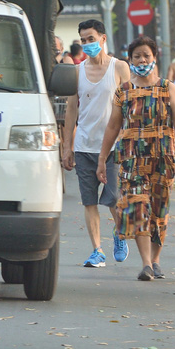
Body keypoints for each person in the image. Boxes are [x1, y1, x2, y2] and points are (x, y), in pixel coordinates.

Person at [97, 36, 175, 281]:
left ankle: (156, 260)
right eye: (137, 56)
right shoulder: (124, 91)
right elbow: (112, 128)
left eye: (146, 55)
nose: (141, 60)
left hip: (163, 158)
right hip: (132, 161)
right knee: (137, 207)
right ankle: (146, 264)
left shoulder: (168, 88)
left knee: (159, 211)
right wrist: (102, 159)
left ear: (154, 58)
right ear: (130, 60)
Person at [62, 19, 132, 268]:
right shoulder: (77, 72)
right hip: (84, 146)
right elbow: (71, 110)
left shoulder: (120, 67)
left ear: (103, 39)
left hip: (113, 147)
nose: (87, 44)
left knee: (112, 198)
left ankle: (119, 233)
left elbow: (131, 104)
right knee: (89, 201)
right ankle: (97, 251)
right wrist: (67, 146)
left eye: (91, 39)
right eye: (83, 40)